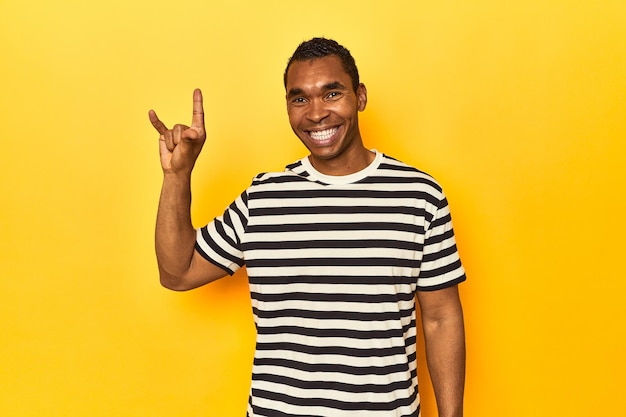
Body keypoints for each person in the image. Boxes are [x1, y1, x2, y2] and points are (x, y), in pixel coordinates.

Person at [149, 37, 466, 417]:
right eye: (299, 99)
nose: (316, 113)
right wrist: (177, 175)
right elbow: (177, 272)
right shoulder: (264, 198)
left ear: (360, 97)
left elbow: (441, 318)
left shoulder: (418, 196)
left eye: (331, 93)